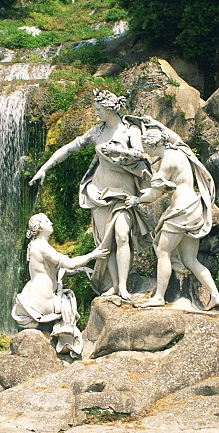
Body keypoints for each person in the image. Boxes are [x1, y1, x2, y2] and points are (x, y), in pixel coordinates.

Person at [29, 89, 152, 300]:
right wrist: (44, 168)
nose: (95, 113)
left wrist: (120, 152)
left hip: (124, 192)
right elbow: (69, 148)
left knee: (122, 235)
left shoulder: (130, 130)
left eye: (98, 109)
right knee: (107, 242)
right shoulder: (96, 133)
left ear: (109, 109)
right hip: (98, 191)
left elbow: (142, 154)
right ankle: (114, 285)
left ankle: (123, 287)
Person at [126, 120, 219, 309]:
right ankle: (215, 295)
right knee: (190, 259)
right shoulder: (180, 150)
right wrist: (156, 124)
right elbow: (175, 137)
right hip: (194, 207)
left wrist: (136, 199)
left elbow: (154, 194)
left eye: (146, 147)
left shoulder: (167, 162)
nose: (146, 151)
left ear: (154, 145)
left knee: (162, 251)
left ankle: (159, 297)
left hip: (181, 210)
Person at [11, 214, 108, 358]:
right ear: (38, 227)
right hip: (41, 299)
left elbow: (52, 272)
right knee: (68, 300)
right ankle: (66, 343)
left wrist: (81, 270)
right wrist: (93, 255)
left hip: (33, 294)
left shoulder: (34, 245)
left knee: (66, 298)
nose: (51, 222)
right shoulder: (42, 246)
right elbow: (68, 263)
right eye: (45, 221)